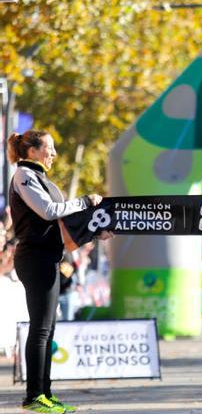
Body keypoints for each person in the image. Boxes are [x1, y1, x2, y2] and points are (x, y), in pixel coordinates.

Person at [8, 130, 112, 413]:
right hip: (34, 258)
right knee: (40, 329)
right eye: (49, 148)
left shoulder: (41, 178)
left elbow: (63, 225)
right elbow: (49, 210)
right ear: (31, 151)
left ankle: (46, 393)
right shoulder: (23, 176)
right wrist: (85, 201)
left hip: (49, 257)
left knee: (48, 329)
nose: (53, 153)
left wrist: (94, 232)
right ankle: (33, 397)